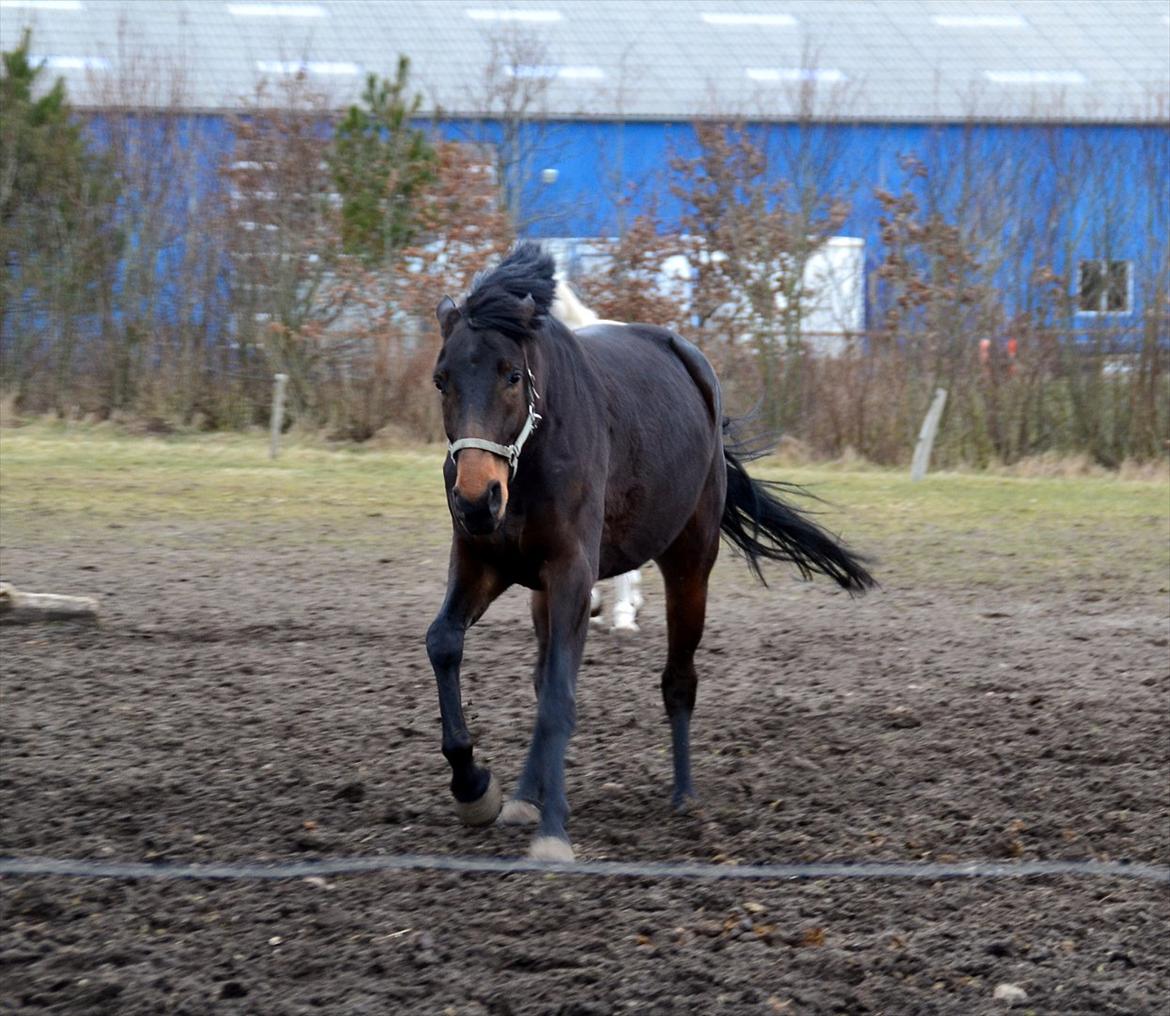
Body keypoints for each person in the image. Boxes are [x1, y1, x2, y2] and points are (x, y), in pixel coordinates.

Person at [552, 278, 644, 633]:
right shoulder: (549, 357)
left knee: (616, 509)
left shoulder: (606, 344)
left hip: (617, 448)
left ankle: (623, 600)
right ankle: (595, 593)